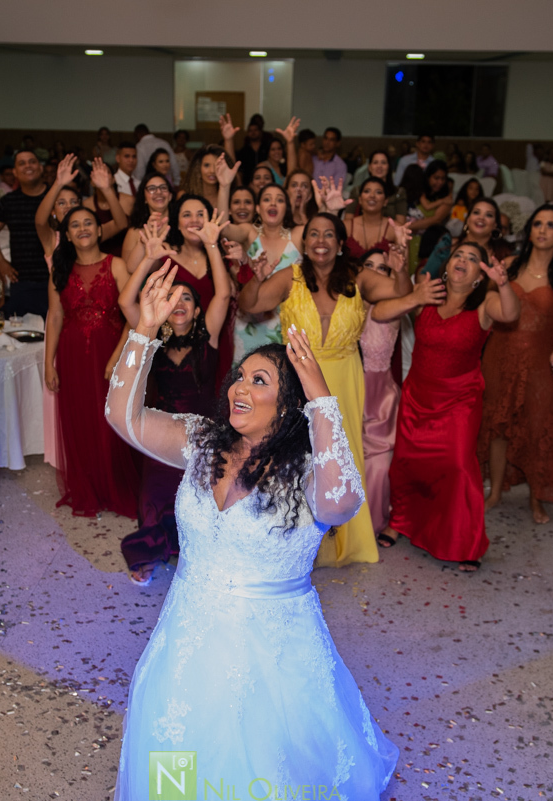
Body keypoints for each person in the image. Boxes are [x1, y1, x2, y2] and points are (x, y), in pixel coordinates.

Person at [105, 265, 398, 797]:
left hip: (273, 659)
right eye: (240, 376)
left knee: (264, 769)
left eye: (258, 381)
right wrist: (142, 332)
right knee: (181, 762)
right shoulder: (201, 440)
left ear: (288, 404)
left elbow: (341, 505)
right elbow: (122, 418)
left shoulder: (313, 472)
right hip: (187, 640)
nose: (239, 387)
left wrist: (321, 397)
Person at [238, 213, 410, 567]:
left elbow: (400, 292)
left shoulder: (360, 277)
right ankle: (299, 539)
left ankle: (351, 539)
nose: (320, 240)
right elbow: (250, 304)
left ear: (340, 241)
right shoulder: (290, 277)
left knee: (342, 453)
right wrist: (256, 281)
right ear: (305, 243)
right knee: (300, 455)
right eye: (313, 233)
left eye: (329, 234)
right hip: (300, 376)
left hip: (345, 376)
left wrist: (401, 267)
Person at [375, 241, 520, 568]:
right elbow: (379, 312)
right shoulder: (426, 294)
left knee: (456, 467)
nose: (463, 261)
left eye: (473, 259)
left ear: (478, 277)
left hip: (459, 400)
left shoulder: (485, 305)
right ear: (447, 265)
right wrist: (414, 296)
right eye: (458, 255)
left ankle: (464, 542)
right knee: (407, 463)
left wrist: (504, 283)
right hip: (417, 397)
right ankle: (401, 521)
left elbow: (511, 314)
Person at [116, 252, 231, 585]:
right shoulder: (153, 338)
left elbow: (223, 294)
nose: (178, 302)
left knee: (200, 495)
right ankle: (150, 551)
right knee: (155, 492)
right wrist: (148, 260)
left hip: (204, 433)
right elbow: (126, 302)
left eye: (187, 298)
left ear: (197, 310)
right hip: (161, 429)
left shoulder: (208, 336)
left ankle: (196, 551)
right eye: (171, 297)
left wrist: (211, 244)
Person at [480, 204, 553, 525]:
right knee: (497, 426)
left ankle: (537, 499)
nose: (542, 230)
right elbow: (485, 306)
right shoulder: (508, 266)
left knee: (537, 428)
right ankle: (495, 491)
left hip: (540, 362)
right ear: (529, 230)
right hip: (500, 354)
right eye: (538, 223)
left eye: (551, 226)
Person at [45, 206, 139, 517]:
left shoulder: (117, 265)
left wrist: (115, 358)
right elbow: (55, 316)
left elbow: (132, 317)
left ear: (99, 230)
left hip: (109, 351)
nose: (83, 228)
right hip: (72, 355)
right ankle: (89, 487)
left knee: (109, 419)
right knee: (81, 418)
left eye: (89, 223)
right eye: (75, 225)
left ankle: (115, 486)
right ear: (67, 235)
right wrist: (49, 362)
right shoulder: (60, 271)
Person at [354, 236, 418, 538]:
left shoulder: (389, 309)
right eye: (370, 266)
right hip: (348, 390)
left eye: (384, 268)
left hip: (380, 398)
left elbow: (405, 296)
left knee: (378, 467)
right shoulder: (346, 306)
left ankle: (372, 523)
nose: (377, 273)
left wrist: (402, 272)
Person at [135, 195, 236, 384]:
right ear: (177, 222)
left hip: (214, 337)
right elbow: (132, 280)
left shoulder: (219, 255)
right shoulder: (164, 255)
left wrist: (212, 244)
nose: (194, 220)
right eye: (187, 215)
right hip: (174, 341)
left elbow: (225, 295)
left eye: (200, 214)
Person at [219, 183, 304, 353]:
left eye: (279, 200)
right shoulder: (250, 232)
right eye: (267, 199)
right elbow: (224, 228)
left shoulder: (297, 236)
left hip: (287, 324)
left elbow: (323, 237)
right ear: (258, 208)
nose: (273, 204)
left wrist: (329, 209)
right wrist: (224, 185)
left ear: (286, 208)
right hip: (248, 324)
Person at [0, 149, 50, 317]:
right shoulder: (9, 201)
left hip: (56, 280)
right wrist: (0, 261)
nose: (28, 166)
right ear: (15, 172)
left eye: (32, 161)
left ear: (40, 167)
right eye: (22, 163)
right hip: (22, 281)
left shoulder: (56, 196)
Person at [121, 170, 174, 273]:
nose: (158, 192)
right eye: (152, 189)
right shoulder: (135, 232)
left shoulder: (182, 226)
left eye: (163, 188)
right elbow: (128, 271)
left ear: (170, 196)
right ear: (144, 198)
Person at [343, 178, 400, 259]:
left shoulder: (396, 229)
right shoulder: (346, 226)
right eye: (367, 191)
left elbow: (403, 268)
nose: (372, 195)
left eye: (378, 192)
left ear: (385, 201)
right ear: (360, 199)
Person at [350, 151, 408, 224]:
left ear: (388, 167)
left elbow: (401, 224)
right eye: (375, 162)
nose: (379, 166)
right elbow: (349, 222)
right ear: (370, 167)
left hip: (390, 233)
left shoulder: (398, 192)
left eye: (383, 162)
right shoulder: (357, 191)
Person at [179, 144, 230, 209]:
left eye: (217, 165)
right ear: (197, 168)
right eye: (207, 165)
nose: (212, 171)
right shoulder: (184, 196)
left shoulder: (230, 196)